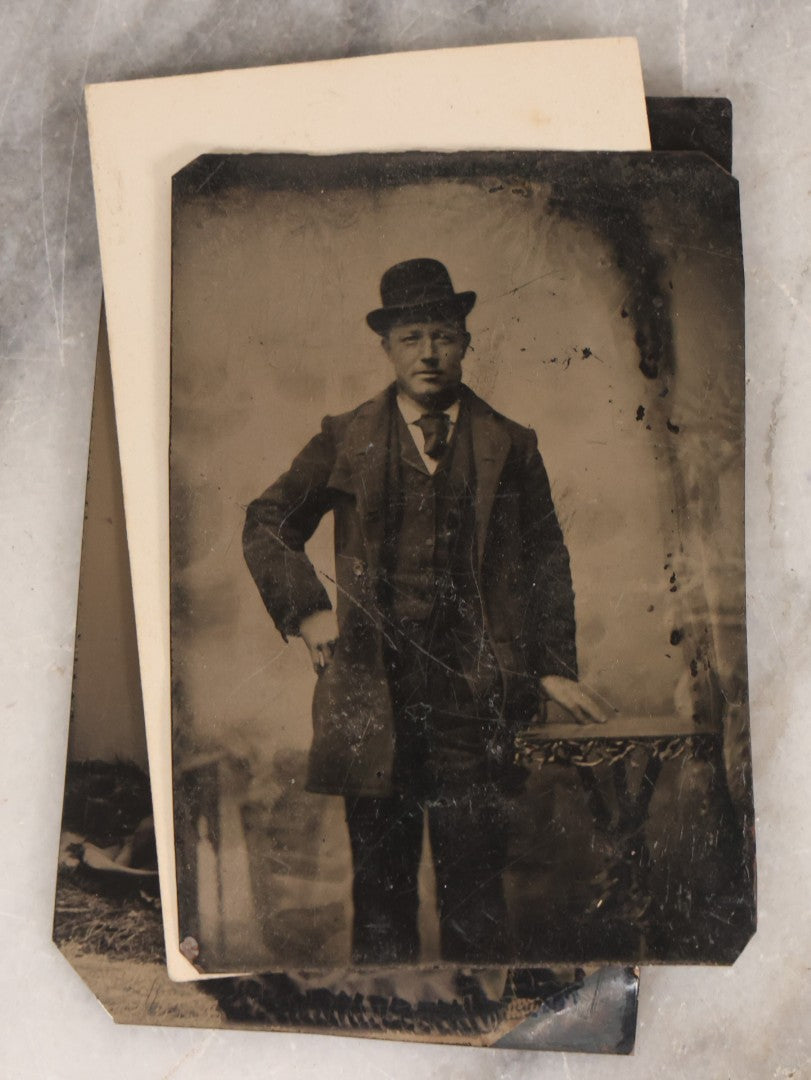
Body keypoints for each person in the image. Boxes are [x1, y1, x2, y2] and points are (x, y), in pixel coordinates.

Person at [243, 258, 605, 964]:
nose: (428, 353)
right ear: (386, 348)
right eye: (411, 337)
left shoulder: (511, 443)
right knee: (380, 890)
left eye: (442, 335)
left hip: (474, 700)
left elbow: (545, 560)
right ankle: (388, 1036)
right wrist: (308, 613)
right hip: (373, 699)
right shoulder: (345, 436)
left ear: (466, 342)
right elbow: (266, 522)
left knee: (475, 887)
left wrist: (552, 667)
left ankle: (481, 1036)